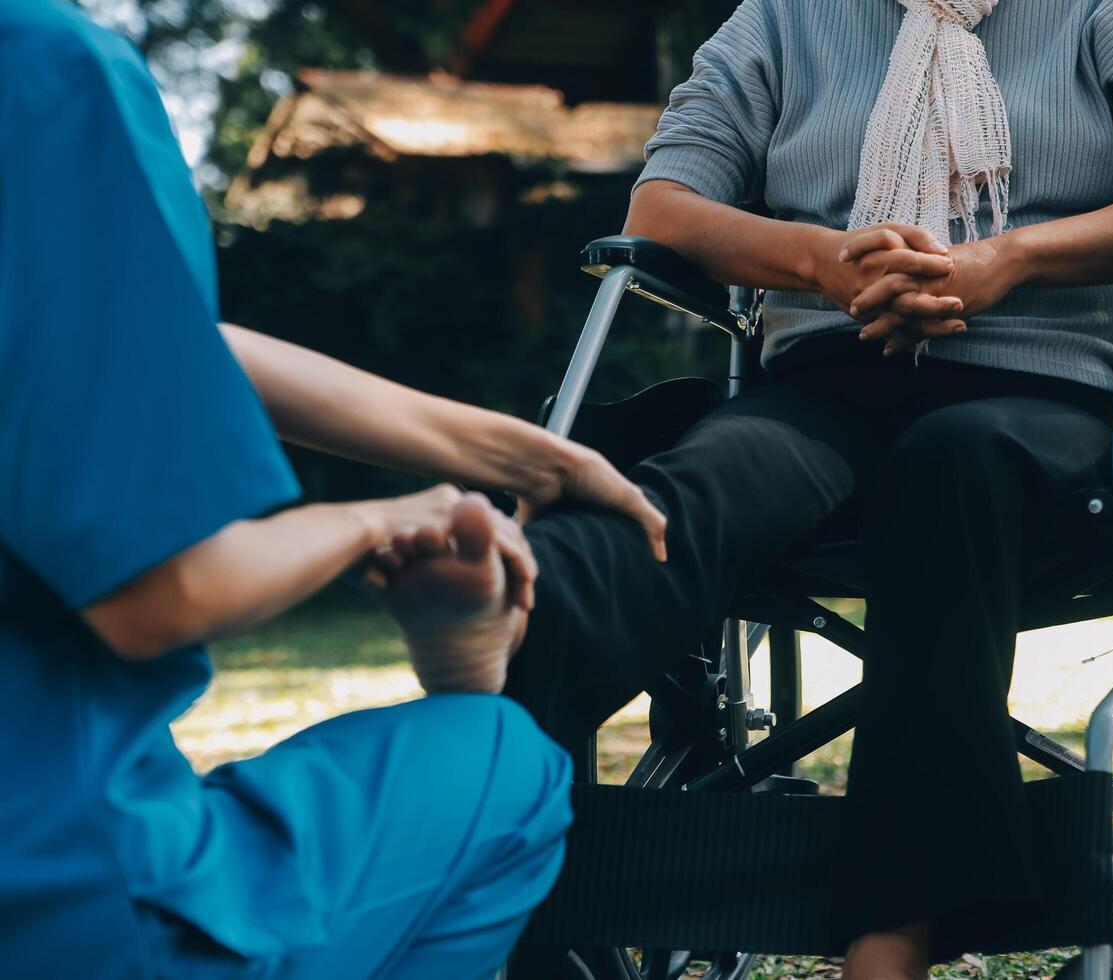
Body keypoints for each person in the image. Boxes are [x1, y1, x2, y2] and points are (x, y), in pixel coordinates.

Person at [500, 0, 1113, 977]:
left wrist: (1004, 260)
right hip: (825, 380)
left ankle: (891, 934)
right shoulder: (786, 18)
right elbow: (663, 210)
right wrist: (821, 259)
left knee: (952, 461)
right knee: (685, 492)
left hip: (1051, 394)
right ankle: (509, 850)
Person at [0, 2, 665, 976]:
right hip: (63, 894)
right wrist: (381, 518)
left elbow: (115, 344)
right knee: (504, 767)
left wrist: (518, 455)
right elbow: (166, 590)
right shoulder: (40, 68)